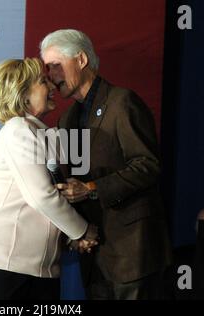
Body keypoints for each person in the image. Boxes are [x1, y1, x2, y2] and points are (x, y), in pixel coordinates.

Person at [40, 29, 173, 300]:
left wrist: (91, 188)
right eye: (47, 68)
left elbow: (147, 165)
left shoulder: (122, 102)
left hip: (133, 253)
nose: (51, 76)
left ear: (81, 60)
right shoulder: (67, 119)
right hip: (94, 256)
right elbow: (73, 180)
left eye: (56, 65)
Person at [0, 58, 98, 300]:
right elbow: (41, 196)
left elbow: (56, 193)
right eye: (43, 82)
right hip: (5, 262)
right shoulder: (19, 130)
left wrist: (71, 236)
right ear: (23, 95)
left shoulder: (44, 134)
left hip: (38, 267)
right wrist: (82, 231)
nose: (51, 86)